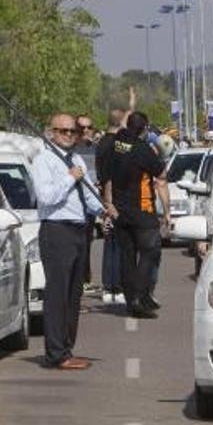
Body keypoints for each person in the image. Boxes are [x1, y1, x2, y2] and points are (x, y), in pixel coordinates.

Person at [31, 113, 115, 370]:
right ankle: (56, 352)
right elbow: (46, 197)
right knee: (58, 293)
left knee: (74, 293)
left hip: (79, 230)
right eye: (63, 131)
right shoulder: (43, 161)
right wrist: (70, 177)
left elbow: (87, 192)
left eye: (72, 132)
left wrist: (103, 210)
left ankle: (67, 347)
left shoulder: (76, 158)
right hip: (57, 230)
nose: (69, 136)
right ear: (51, 132)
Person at [109, 112, 170, 319]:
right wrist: (167, 211)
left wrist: (108, 204)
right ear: (144, 129)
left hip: (119, 211)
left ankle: (130, 299)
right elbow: (160, 176)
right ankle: (139, 297)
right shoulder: (142, 149)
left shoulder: (115, 145)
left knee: (127, 256)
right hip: (141, 211)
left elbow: (106, 176)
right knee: (149, 252)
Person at [96, 110, 127, 304]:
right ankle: (117, 286)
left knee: (110, 243)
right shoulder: (119, 145)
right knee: (121, 243)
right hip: (117, 198)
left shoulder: (100, 144)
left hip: (104, 197)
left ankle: (109, 286)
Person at [75, 114, 99, 296]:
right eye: (81, 127)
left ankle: (85, 278)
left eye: (88, 127)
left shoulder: (97, 150)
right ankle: (79, 280)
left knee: (86, 243)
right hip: (72, 206)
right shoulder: (70, 151)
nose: (85, 131)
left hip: (90, 205)